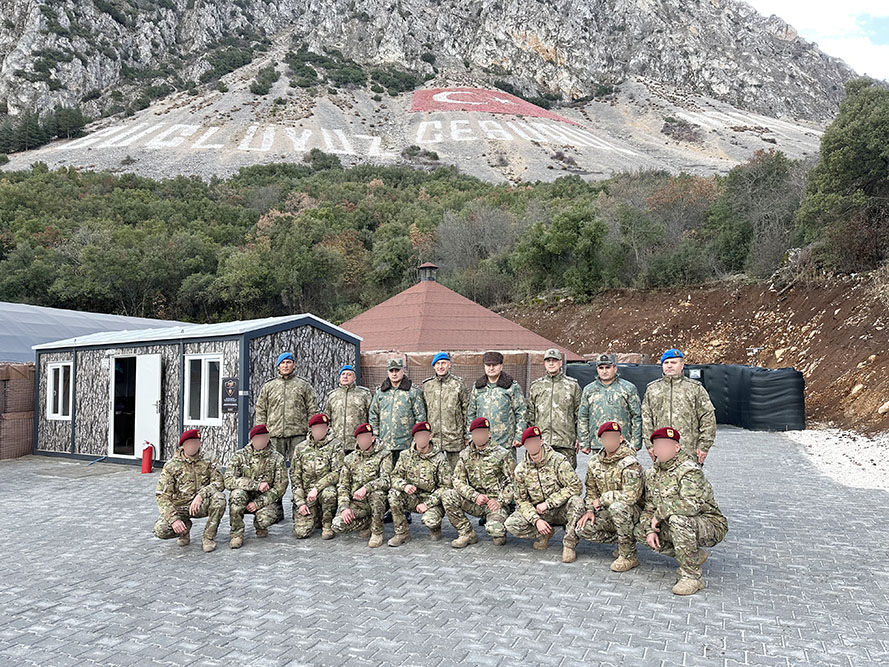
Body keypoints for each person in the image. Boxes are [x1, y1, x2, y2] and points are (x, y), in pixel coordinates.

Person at [635, 427, 728, 595]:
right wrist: (649, 529)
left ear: (676, 448)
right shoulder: (652, 473)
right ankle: (693, 556)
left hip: (708, 523)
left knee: (678, 519)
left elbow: (691, 505)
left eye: (665, 445)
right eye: (657, 446)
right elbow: (649, 506)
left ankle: (693, 577)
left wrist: (659, 514)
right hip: (679, 522)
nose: (660, 450)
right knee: (640, 530)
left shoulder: (689, 470)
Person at [504, 426, 583, 561]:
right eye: (529, 443)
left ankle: (569, 545)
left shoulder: (558, 460)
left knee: (577, 502)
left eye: (535, 441)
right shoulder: (521, 470)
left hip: (560, 509)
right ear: (525, 446)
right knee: (511, 523)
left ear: (541, 442)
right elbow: (521, 501)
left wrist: (549, 503)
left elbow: (576, 486)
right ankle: (544, 534)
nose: (532, 445)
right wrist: (536, 520)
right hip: (540, 513)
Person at [573, 422, 643, 570]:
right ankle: (624, 540)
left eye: (613, 437)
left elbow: (631, 497)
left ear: (621, 438)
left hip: (631, 512)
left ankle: (628, 555)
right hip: (607, 511)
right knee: (582, 529)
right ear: (601, 441)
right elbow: (591, 489)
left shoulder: (630, 463)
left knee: (618, 507)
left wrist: (604, 499)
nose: (609, 441)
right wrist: (590, 510)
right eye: (606, 438)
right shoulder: (594, 462)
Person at [442, 417, 515, 548]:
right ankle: (467, 534)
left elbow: (515, 483)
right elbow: (457, 480)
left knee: (497, 535)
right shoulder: (465, 454)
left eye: (482, 432)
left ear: (489, 434)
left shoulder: (503, 454)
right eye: (476, 433)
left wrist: (500, 500)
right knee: (448, 495)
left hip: (495, 504)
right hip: (475, 501)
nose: (479, 436)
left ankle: (499, 528)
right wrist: (474, 496)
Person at [153, 429, 226, 553]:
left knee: (219, 498)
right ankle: (184, 529)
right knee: (161, 530)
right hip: (180, 506)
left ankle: (208, 537)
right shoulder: (172, 465)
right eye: (189, 443)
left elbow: (219, 483)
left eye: (195, 443)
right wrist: (174, 519)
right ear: (183, 445)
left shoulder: (209, 460)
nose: (193, 446)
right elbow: (162, 496)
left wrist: (201, 495)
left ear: (200, 444)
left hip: (201, 504)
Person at [641, 349, 716, 465]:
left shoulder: (695, 389)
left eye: (673, 362)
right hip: (662, 449)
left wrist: (704, 446)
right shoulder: (652, 389)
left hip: (688, 450)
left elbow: (707, 418)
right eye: (666, 363)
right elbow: (646, 419)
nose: (669, 366)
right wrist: (650, 445)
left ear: (682, 365)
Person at [387, 421, 452, 547]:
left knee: (429, 521)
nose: (422, 438)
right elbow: (394, 477)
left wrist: (427, 504)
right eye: (419, 436)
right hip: (412, 497)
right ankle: (402, 533)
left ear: (430, 437)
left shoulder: (440, 458)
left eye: (425, 435)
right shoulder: (405, 455)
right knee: (393, 494)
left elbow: (446, 486)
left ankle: (435, 528)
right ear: (414, 438)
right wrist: (404, 486)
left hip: (432, 500)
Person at [224, 424, 289, 549]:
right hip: (244, 497)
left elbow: (280, 487)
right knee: (236, 495)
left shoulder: (277, 458)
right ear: (252, 439)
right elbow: (228, 480)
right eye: (258, 438)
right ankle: (236, 534)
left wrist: (258, 503)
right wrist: (255, 485)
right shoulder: (240, 456)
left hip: (265, 500)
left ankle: (260, 526)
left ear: (268, 438)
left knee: (264, 520)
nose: (261, 441)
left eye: (264, 438)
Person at [332, 423, 393, 548]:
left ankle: (377, 532)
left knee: (377, 494)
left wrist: (366, 488)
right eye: (360, 438)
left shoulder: (384, 455)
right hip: (358, 503)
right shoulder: (349, 459)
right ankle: (367, 524)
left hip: (378, 500)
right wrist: (344, 508)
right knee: (337, 524)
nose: (363, 441)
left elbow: (386, 480)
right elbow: (343, 486)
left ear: (372, 439)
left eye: (366, 437)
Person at [254, 352, 319, 463]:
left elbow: (312, 409)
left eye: (288, 362)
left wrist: (311, 431)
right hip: (274, 433)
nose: (285, 365)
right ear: (278, 366)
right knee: (273, 465)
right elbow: (261, 409)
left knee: (300, 465)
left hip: (298, 434)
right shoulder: (269, 386)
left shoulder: (303, 385)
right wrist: (262, 430)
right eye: (282, 363)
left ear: (294, 365)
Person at [290, 413, 344, 540]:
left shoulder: (335, 446)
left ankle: (327, 525)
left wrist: (317, 488)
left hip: (324, 490)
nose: (320, 431)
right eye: (317, 428)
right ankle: (315, 516)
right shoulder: (300, 448)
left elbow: (337, 472)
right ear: (311, 429)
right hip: (307, 495)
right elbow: (295, 476)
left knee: (329, 493)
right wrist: (300, 502)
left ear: (327, 428)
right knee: (301, 533)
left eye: (323, 427)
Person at [527, 349, 581, 467]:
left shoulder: (572, 386)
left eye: (554, 360)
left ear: (560, 363)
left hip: (565, 442)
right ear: (545, 363)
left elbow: (579, 414)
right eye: (548, 361)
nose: (551, 363)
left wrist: (579, 437)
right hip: (542, 442)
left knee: (567, 479)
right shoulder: (536, 386)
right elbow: (531, 414)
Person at [578, 353, 643, 453]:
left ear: (615, 368)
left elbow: (636, 416)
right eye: (601, 368)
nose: (604, 371)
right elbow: (583, 417)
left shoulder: (628, 388)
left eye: (608, 367)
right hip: (598, 444)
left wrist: (635, 442)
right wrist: (584, 442)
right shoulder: (589, 390)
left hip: (622, 443)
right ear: (597, 369)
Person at [466, 351, 526, 457]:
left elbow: (521, 411)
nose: (491, 368)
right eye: (488, 365)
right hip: (482, 442)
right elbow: (471, 413)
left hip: (505, 443)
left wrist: (519, 436)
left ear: (501, 366)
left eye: (495, 365)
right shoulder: (478, 387)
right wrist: (470, 436)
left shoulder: (511, 386)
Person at [369, 358, 427, 464]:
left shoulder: (413, 392)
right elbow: (373, 414)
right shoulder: (380, 392)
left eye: (397, 370)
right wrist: (376, 435)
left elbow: (420, 417)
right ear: (388, 372)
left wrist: (417, 439)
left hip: (406, 444)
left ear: (403, 371)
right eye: (391, 371)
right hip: (385, 443)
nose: (394, 374)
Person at [422, 352, 470, 471]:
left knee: (456, 471)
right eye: (437, 364)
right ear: (434, 366)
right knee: (434, 471)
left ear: (450, 364)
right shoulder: (427, 385)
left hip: (454, 437)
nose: (440, 366)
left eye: (443, 363)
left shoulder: (458, 384)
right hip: (434, 438)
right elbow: (423, 411)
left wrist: (466, 434)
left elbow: (466, 410)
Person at [323, 363, 372, 453]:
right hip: (337, 443)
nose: (345, 377)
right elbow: (326, 418)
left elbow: (371, 416)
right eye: (343, 374)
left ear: (354, 378)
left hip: (358, 442)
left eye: (349, 375)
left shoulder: (364, 394)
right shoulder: (333, 395)